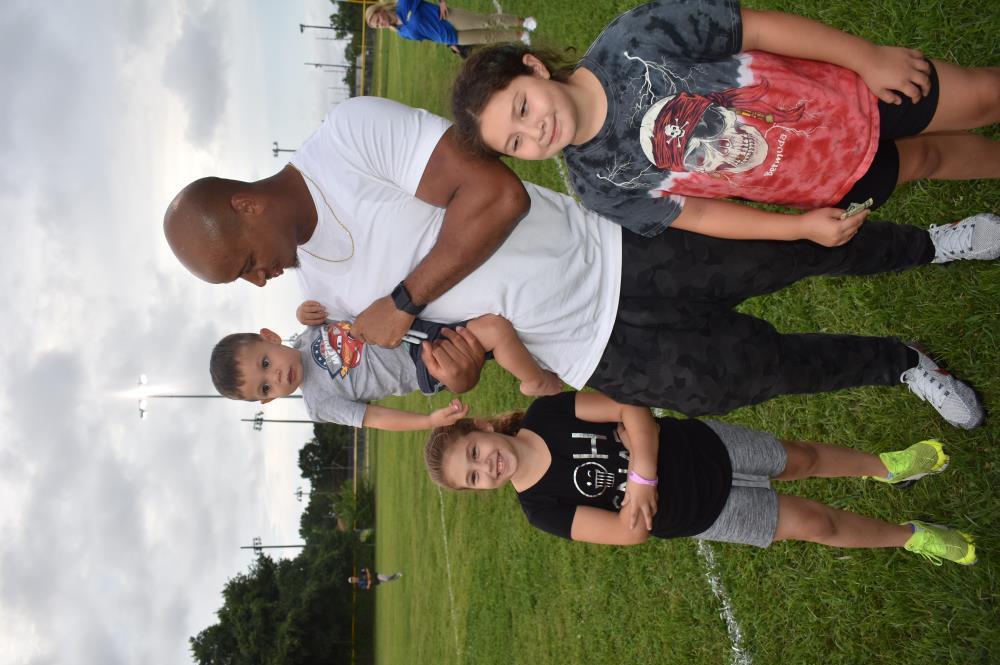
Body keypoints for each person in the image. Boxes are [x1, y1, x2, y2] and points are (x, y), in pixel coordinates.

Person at [165, 96, 986, 426]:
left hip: (621, 250)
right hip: (592, 351)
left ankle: (936, 244)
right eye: (245, 281)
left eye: (244, 262)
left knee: (792, 254)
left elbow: (497, 196)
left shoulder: (346, 140)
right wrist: (458, 368)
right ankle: (900, 362)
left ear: (245, 205)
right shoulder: (326, 297)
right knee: (756, 373)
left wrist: (405, 297)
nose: (259, 279)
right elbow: (452, 350)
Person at [451, 0, 1000, 245]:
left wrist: (867, 57)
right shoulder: (598, 185)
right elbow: (700, 213)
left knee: (982, 97)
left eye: (522, 108)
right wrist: (799, 228)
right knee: (928, 160)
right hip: (824, 181)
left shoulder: (634, 38)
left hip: (851, 94)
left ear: (534, 67)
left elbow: (754, 29)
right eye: (515, 142)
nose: (535, 132)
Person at [424, 391, 976, 566]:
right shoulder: (540, 509)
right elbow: (628, 534)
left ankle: (886, 467)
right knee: (815, 525)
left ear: (481, 428)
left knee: (801, 458)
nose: (486, 467)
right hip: (701, 512)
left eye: (474, 452)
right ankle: (911, 536)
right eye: (473, 478)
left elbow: (631, 407)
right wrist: (638, 471)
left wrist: (641, 477)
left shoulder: (548, 413)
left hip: (704, 447)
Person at [209, 302, 561, 430]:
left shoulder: (310, 329)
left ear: (270, 337)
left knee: (497, 325)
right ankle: (536, 382)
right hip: (423, 363)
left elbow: (340, 300)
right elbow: (374, 418)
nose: (275, 376)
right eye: (266, 386)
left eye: (265, 362)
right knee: (494, 330)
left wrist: (304, 312)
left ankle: (547, 347)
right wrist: (428, 421)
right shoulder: (318, 403)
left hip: (414, 325)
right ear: (269, 399)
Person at [365, 1, 535, 49]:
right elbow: (428, 36)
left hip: (448, 18)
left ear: (380, 10)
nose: (381, 24)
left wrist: (442, 2)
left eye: (378, 20)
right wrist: (448, 44)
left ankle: (524, 21)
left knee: (486, 21)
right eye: (378, 26)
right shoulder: (402, 33)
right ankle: (521, 35)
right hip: (451, 37)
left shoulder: (403, 4)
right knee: (487, 37)